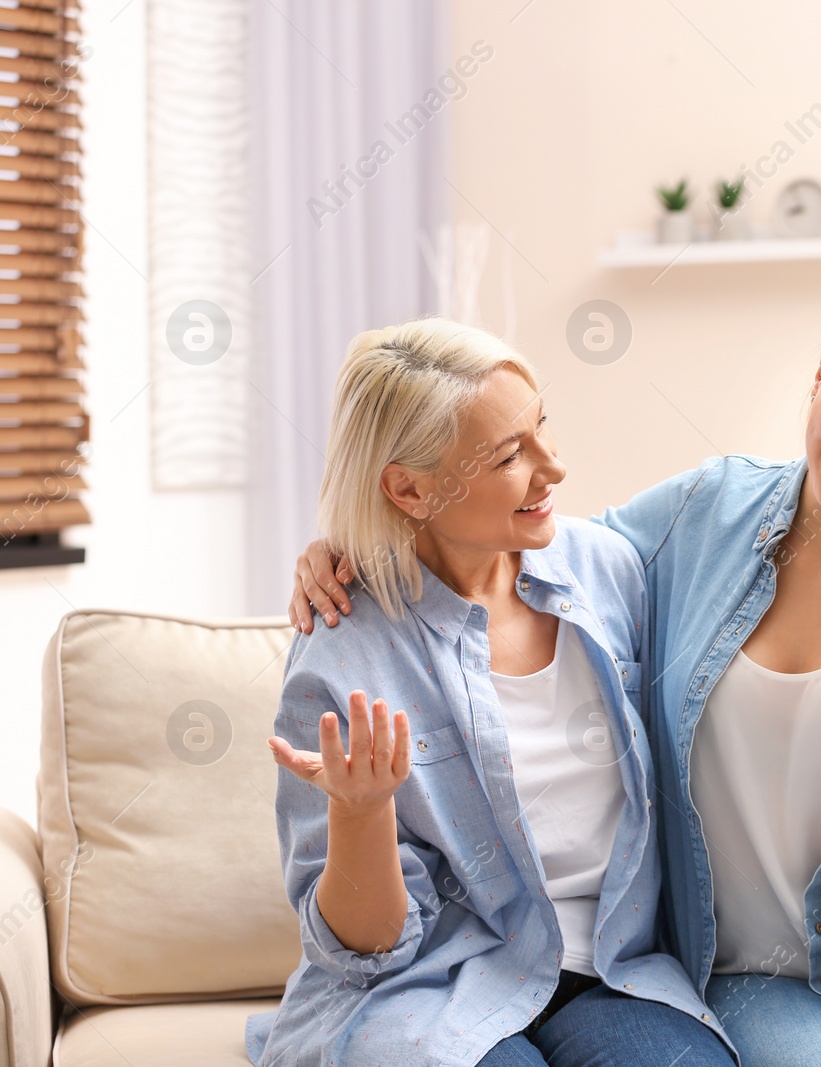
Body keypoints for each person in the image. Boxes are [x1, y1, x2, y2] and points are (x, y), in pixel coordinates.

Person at [291, 279, 821, 1065]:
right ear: (818, 376)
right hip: (757, 972)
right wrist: (357, 544)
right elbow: (516, 544)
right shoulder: (705, 515)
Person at [249, 318, 735, 1067]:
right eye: (512, 454)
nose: (555, 468)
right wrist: (361, 810)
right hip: (430, 987)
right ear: (410, 487)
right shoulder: (343, 651)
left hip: (615, 972)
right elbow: (366, 948)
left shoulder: (607, 569)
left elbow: (752, 513)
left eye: (543, 428)